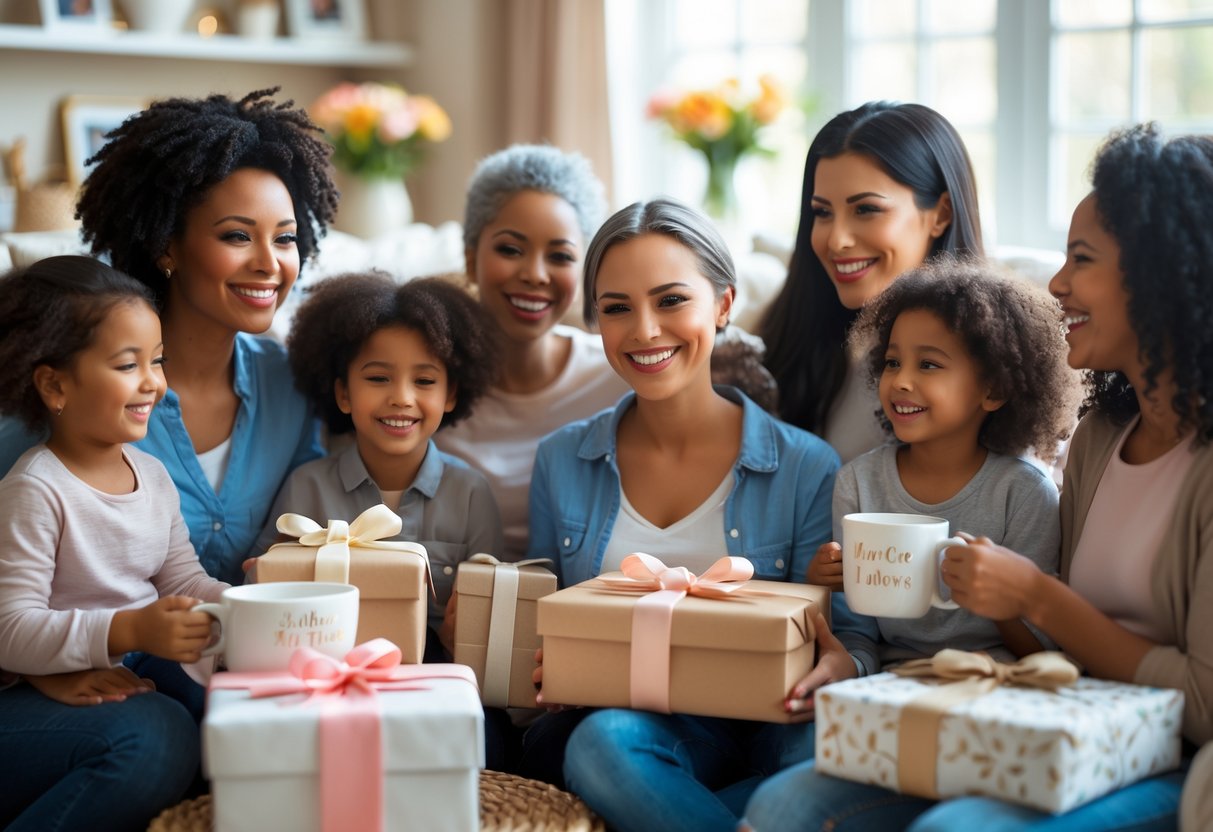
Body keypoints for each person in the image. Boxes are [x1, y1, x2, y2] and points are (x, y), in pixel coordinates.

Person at [747, 124, 1213, 830]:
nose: (1055, 284)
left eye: (1080, 259)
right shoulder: (1098, 438)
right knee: (780, 807)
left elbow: (1202, 706)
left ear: (1163, 275)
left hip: (1158, 753)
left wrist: (1033, 597)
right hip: (1042, 717)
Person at [526, 198, 839, 832]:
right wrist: (544, 657)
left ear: (723, 304)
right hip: (639, 728)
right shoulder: (562, 460)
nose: (644, 331)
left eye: (671, 300)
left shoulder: (808, 466)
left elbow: (848, 634)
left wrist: (845, 662)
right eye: (617, 308)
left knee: (826, 758)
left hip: (775, 723)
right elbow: (545, 617)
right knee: (599, 744)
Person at [0, 88, 339, 585]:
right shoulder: (76, 383)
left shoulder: (291, 383)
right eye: (237, 236)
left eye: (285, 238)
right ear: (166, 247)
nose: (270, 264)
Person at [0, 256, 230, 831]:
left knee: (225, 704)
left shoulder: (151, 474)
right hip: (23, 692)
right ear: (54, 384)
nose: (153, 381)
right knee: (158, 736)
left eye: (157, 360)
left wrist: (253, 602)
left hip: (114, 664)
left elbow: (183, 579)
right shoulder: (36, 489)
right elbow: (9, 631)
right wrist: (128, 629)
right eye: (129, 365)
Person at [252, 272, 503, 660]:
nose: (401, 398)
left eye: (424, 380)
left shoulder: (471, 494)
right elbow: (261, 587)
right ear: (343, 393)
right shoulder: (306, 487)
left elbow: (490, 622)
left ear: (451, 393)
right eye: (378, 378)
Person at [433, 144, 629, 561]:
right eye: (510, 249)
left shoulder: (620, 376)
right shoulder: (425, 380)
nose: (535, 275)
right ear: (471, 259)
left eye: (560, 256)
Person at [760, 101, 984, 463]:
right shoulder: (783, 338)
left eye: (865, 209)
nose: (836, 241)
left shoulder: (998, 356)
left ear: (940, 214)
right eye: (822, 213)